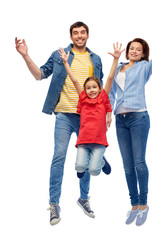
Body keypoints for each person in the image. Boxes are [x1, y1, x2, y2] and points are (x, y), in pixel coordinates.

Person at [15, 21, 111, 225]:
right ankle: (53, 204)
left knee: (84, 160)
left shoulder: (96, 59)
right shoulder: (60, 55)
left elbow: (101, 90)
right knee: (59, 157)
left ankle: (84, 198)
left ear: (87, 35)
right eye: (75, 33)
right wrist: (25, 55)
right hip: (64, 115)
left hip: (88, 117)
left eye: (82, 32)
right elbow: (39, 75)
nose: (79, 36)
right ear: (71, 36)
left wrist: (108, 112)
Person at [109, 13, 152, 226]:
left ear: (143, 53)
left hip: (138, 118)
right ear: (127, 51)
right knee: (127, 166)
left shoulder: (145, 67)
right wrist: (109, 112)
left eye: (138, 49)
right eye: (132, 48)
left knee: (139, 163)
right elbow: (109, 92)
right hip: (120, 119)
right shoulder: (118, 68)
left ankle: (144, 204)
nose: (134, 51)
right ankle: (134, 205)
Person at [58, 43, 124, 178]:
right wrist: (66, 63)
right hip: (83, 141)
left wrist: (115, 59)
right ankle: (87, 162)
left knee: (94, 171)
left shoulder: (103, 98)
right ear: (85, 90)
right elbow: (75, 80)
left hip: (99, 142)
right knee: (80, 167)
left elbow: (110, 78)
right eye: (88, 88)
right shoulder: (83, 99)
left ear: (99, 89)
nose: (91, 90)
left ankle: (101, 162)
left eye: (94, 87)